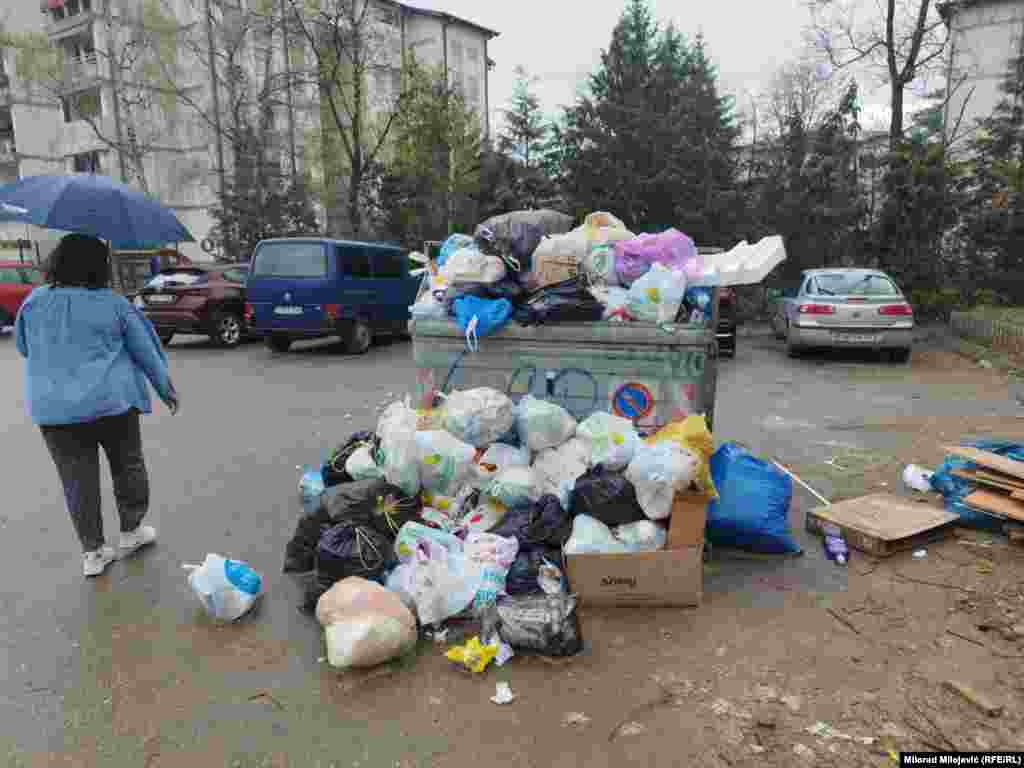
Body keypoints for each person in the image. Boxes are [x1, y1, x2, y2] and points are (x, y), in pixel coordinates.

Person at [15, 233, 179, 578]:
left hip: (56, 411)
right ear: (99, 267)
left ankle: (93, 552)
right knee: (128, 466)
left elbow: (24, 346)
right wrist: (165, 388)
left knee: (76, 479)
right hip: (112, 404)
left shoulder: (33, 302)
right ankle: (132, 532)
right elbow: (145, 351)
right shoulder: (114, 303)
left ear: (56, 262)